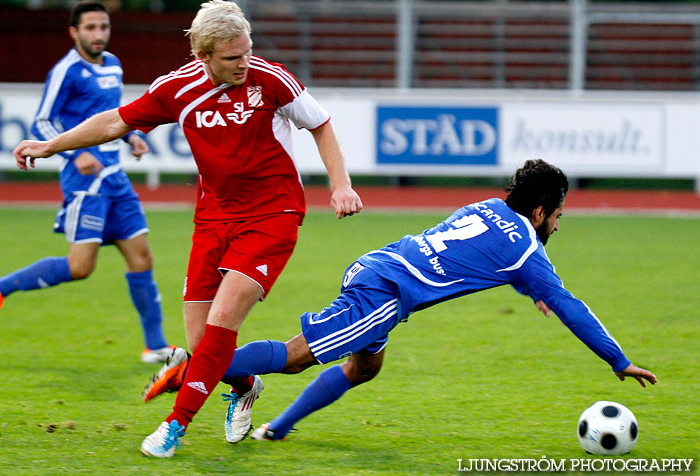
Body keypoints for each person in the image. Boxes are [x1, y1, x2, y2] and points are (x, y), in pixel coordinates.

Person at [13, 0, 363, 458]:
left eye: (248, 50)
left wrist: (341, 185)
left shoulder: (272, 79)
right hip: (212, 219)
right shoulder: (178, 88)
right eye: (232, 57)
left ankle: (174, 425)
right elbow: (113, 122)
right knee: (202, 346)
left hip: (272, 217)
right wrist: (53, 145)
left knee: (220, 329)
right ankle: (244, 386)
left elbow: (321, 126)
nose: (245, 62)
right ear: (203, 57)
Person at [142, 159, 657, 454]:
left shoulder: (487, 207)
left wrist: (530, 290)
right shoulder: (527, 247)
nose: (558, 227)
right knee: (295, 356)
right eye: (559, 216)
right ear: (541, 211)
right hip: (384, 295)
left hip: (380, 266)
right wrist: (617, 359)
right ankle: (199, 365)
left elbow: (483, 256)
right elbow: (569, 304)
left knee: (366, 366)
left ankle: (278, 425)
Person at [1, 0, 175, 364]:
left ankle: (155, 345)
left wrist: (130, 136)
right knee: (81, 267)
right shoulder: (66, 70)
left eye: (104, 27)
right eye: (91, 28)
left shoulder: (113, 65)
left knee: (141, 257)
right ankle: (3, 288)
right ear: (74, 32)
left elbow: (113, 117)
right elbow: (43, 123)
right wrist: (71, 153)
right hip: (84, 181)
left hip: (115, 178)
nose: (99, 35)